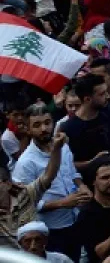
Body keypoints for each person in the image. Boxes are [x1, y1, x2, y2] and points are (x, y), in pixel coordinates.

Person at [12, 106, 86, 256]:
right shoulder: (26, 162)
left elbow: (72, 172)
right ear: (28, 129)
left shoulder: (63, 146)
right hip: (51, 229)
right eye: (37, 125)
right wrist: (62, 203)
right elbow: (23, 202)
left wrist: (82, 186)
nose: (44, 128)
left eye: (47, 122)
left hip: (75, 219)